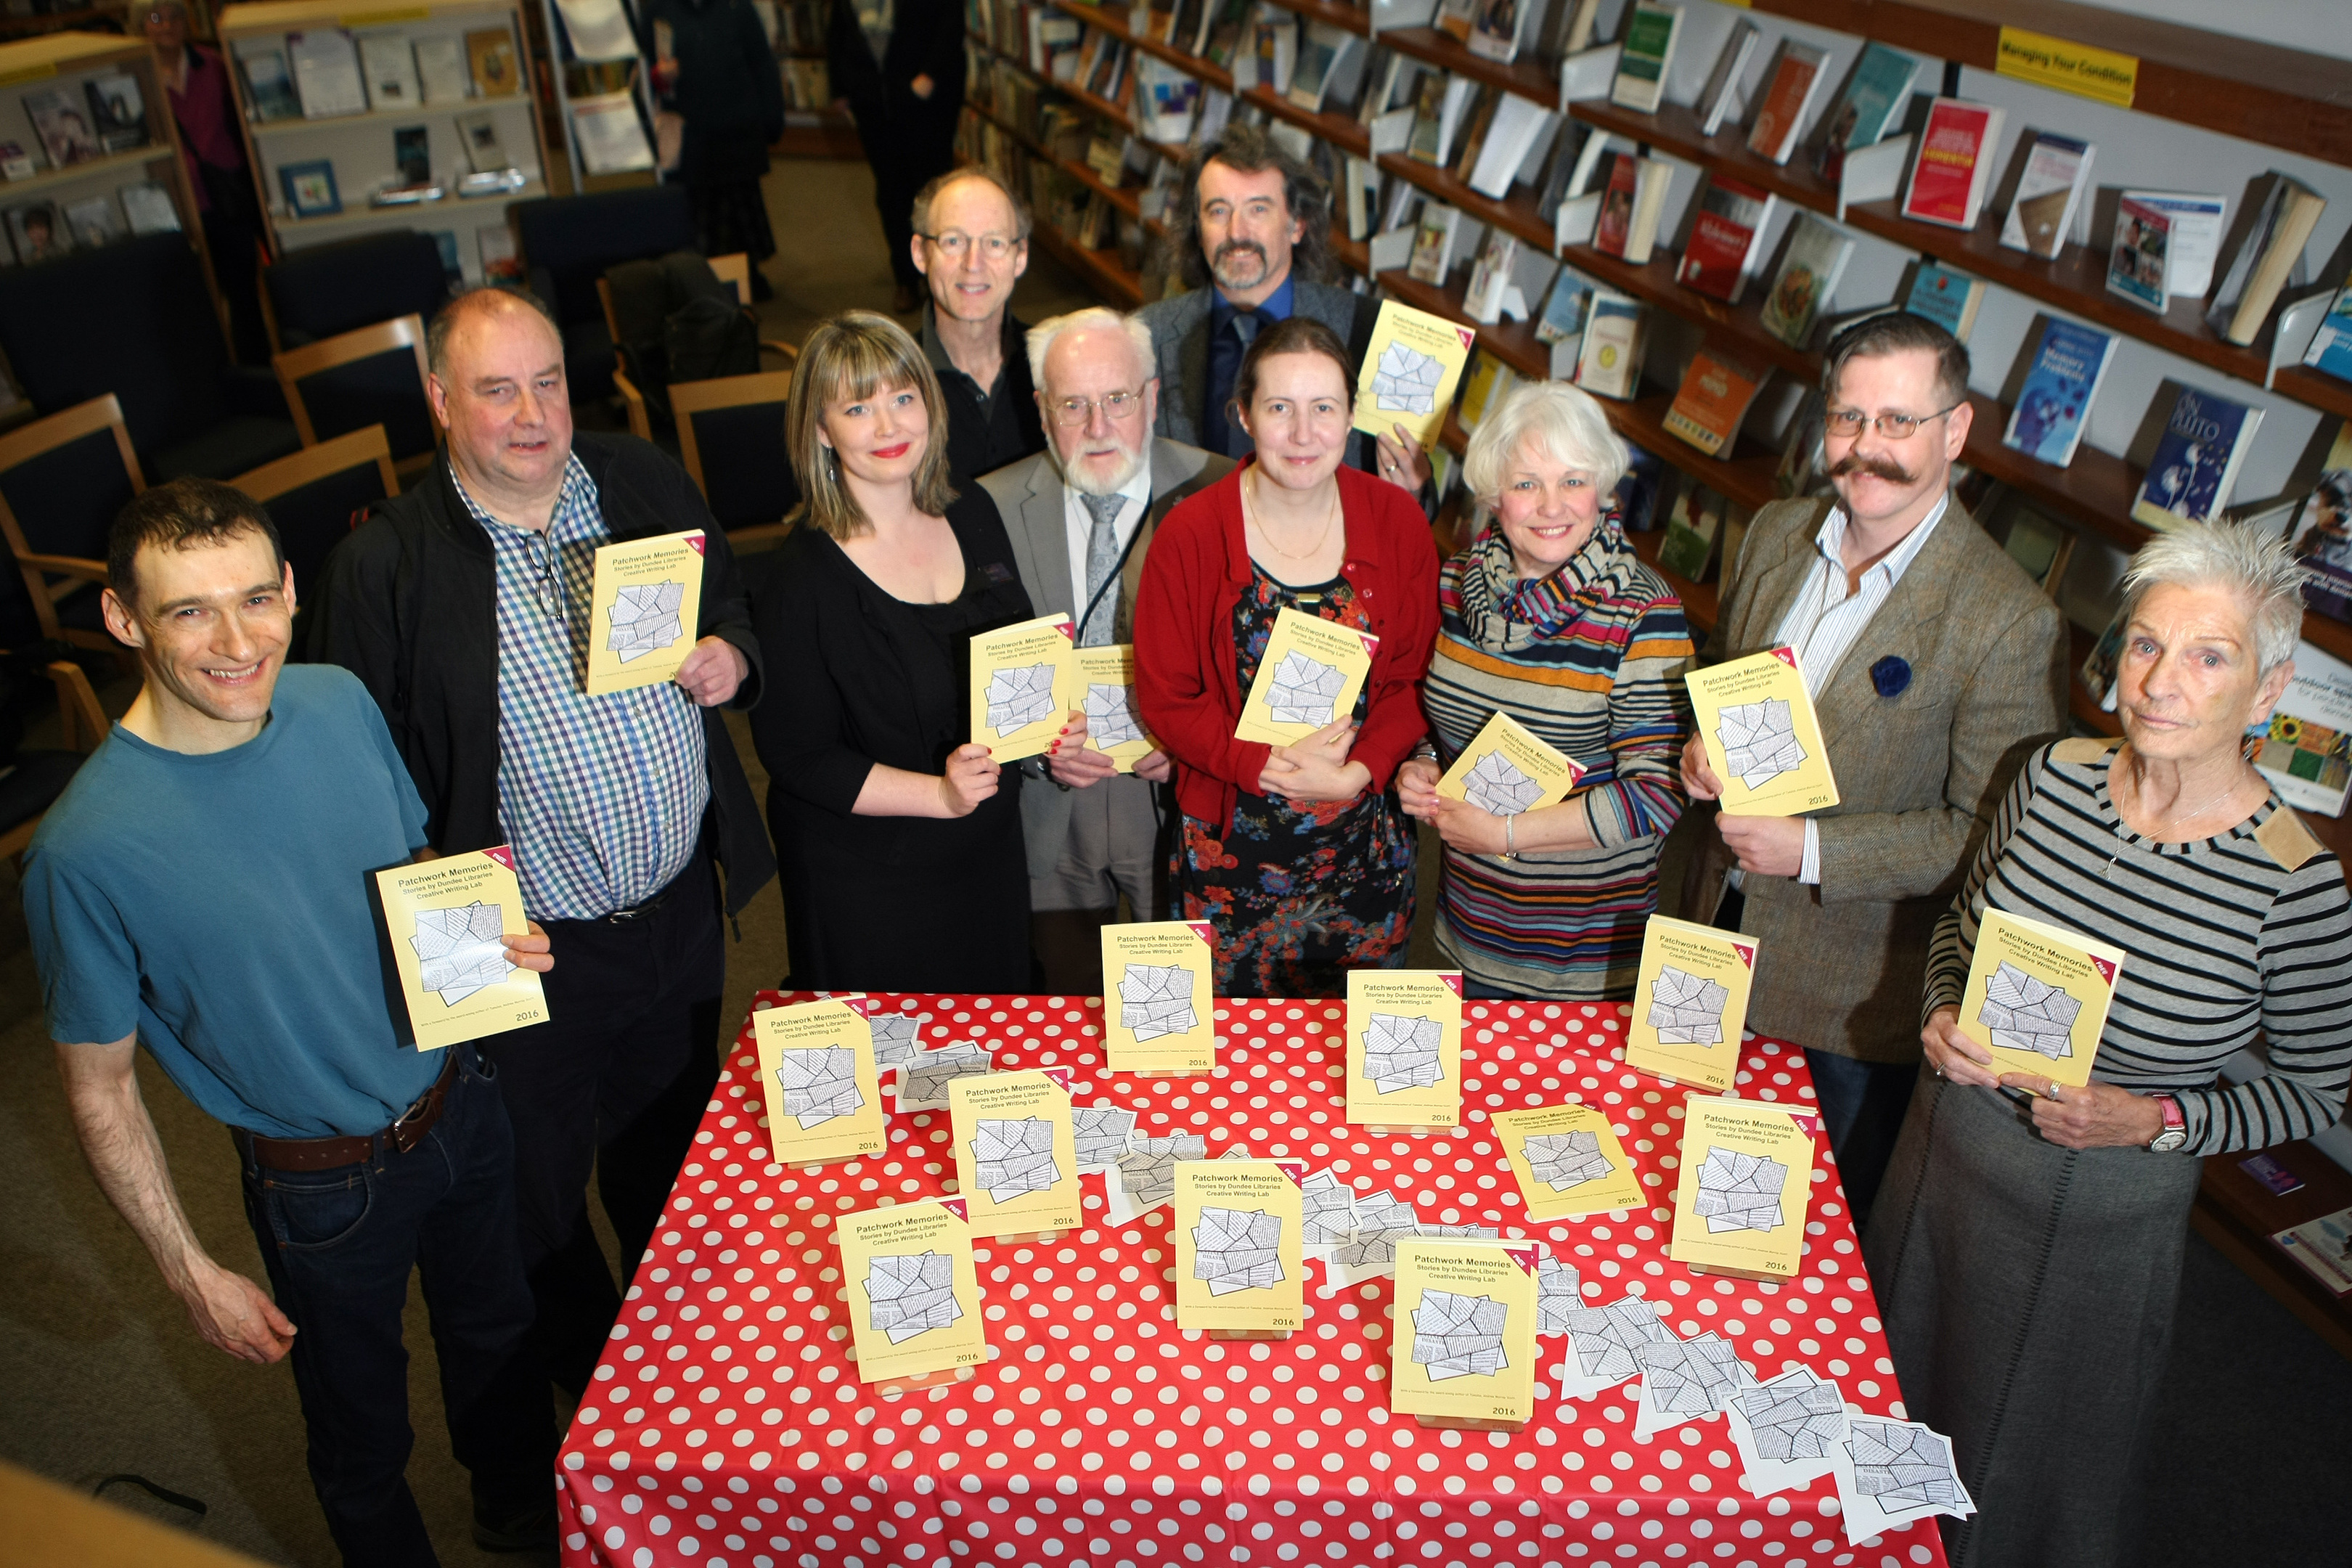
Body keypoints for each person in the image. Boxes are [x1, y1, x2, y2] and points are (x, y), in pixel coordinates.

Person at [28, 480, 558, 1564]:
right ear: (125, 621)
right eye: (190, 612)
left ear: (291, 591)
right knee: (361, 1436)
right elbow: (99, 1087)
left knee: (501, 1342)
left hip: (463, 1104)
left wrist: (485, 942)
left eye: (258, 600)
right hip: (323, 1185)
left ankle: (522, 1518)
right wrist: (188, 1273)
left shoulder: (333, 697)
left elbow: (405, 863)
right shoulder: (82, 852)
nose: (238, 643)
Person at [307, 287, 774, 1409]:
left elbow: (738, 605)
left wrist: (730, 658)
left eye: (549, 382)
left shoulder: (642, 483)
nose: (532, 414)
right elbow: (356, 791)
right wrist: (461, 943)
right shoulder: (387, 570)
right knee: (535, 1204)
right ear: (439, 401)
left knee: (674, 1163)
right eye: (497, 388)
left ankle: (681, 1389)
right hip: (532, 964)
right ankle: (593, 1398)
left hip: (675, 921)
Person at [1864, 520, 2352, 1568]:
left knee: (2016, 1482)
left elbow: (2318, 1090)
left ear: (2265, 692)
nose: (2160, 683)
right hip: (1939, 1165)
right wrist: (1942, 1008)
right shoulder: (2047, 780)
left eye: (2207, 656)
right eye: (2144, 644)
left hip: (2090, 1229)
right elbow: (1960, 924)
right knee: (1885, 1414)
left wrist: (2161, 1120)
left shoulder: (2295, 883)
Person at [1677, 311, 2065, 1221]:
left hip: (1844, 1004)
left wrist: (1812, 851)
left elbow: (1985, 835)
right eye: (1849, 419)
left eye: (1899, 422)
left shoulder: (2008, 620)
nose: (1867, 448)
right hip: (1705, 932)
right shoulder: (1776, 529)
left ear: (1956, 431)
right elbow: (1725, 676)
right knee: (1675, 1169)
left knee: (1800, 1240)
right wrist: (1703, 743)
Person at [1134, 316, 1438, 997]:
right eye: (1280, 408)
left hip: (1365, 854)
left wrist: (1361, 772)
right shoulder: (1189, 533)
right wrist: (1257, 765)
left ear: (1352, 415)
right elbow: (1167, 697)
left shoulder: (1398, 520)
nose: (1304, 434)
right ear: (1243, 414)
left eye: (1324, 408)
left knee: (1356, 1067)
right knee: (1232, 1072)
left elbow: (1416, 677)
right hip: (1231, 859)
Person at [750, 309, 1034, 991]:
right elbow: (798, 757)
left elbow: (1018, 659)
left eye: (903, 398)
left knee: (997, 1059)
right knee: (902, 1084)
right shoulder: (798, 576)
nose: (889, 426)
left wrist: (1050, 726)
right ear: (820, 430)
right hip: (871, 888)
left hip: (986, 857)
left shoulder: (973, 513)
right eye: (858, 407)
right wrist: (940, 795)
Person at [1399, 380, 1693, 1000]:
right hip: (1469, 926)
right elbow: (1441, 719)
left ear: (1604, 490)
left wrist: (1505, 835)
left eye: (1573, 480)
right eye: (1527, 483)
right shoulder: (1455, 583)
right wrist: (1423, 764)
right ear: (1493, 496)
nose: (1552, 505)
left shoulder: (1643, 611)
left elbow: (1660, 793)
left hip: (1583, 956)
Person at [978, 306, 1234, 991]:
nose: (1098, 426)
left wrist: (1196, 739)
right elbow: (971, 664)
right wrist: (1032, 743)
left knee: (1175, 1025)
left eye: (1117, 399)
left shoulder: (1225, 492)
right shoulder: (988, 509)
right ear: (1041, 410)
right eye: (1074, 404)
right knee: (1066, 1016)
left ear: (1152, 396)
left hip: (1176, 804)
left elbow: (1258, 658)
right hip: (1052, 808)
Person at [1140, 123, 1428, 497]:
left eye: (1258, 209)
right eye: (1218, 211)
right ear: (1197, 228)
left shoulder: (1376, 332)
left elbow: (1416, 495)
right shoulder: (1145, 335)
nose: (1236, 231)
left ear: (1297, 225)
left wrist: (1414, 490)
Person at [144, 1, 269, 362]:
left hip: (227, 198)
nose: (166, 25)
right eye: (156, 18)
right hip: (179, 206)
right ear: (141, 28)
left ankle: (255, 369)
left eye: (175, 16)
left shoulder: (213, 64)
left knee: (244, 293)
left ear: (188, 22)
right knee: (194, 301)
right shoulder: (140, 77)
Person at [912, 167, 1048, 486]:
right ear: (921, 254)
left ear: (1021, 256)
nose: (973, 263)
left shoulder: (1056, 369)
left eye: (995, 243)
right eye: (954, 241)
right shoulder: (889, 381)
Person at [828, 0, 964, 313]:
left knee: (934, 192)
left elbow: (950, 25)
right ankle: (905, 278)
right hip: (872, 100)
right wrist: (840, 87)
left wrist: (929, 75)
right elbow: (838, 30)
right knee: (891, 191)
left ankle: (940, 278)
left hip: (924, 99)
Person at [642, 0, 785, 295]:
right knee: (698, 213)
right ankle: (705, 280)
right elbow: (642, 71)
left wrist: (772, 120)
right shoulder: (658, 11)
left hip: (738, 128)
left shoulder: (738, 8)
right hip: (689, 131)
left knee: (740, 207)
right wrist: (660, 77)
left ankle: (749, 273)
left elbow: (761, 63)